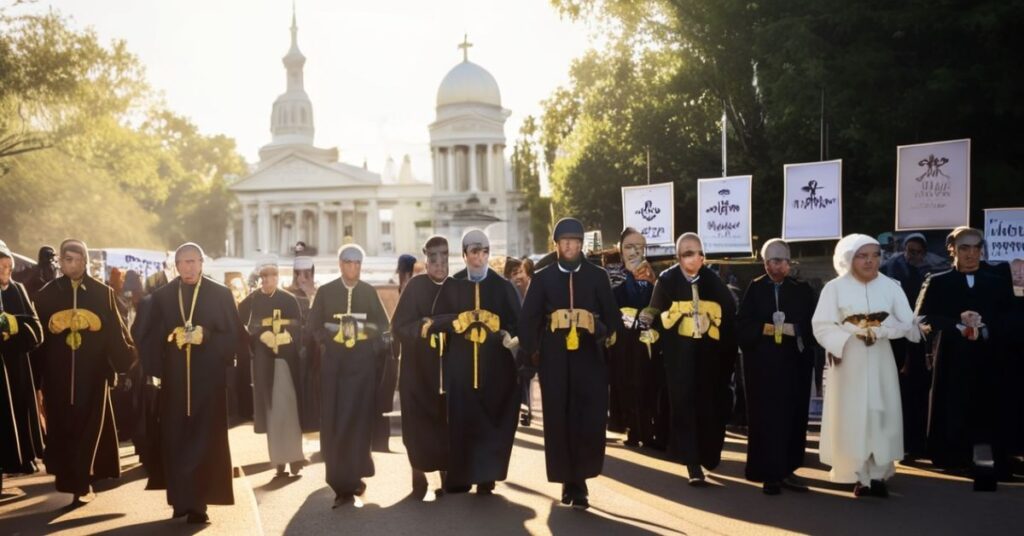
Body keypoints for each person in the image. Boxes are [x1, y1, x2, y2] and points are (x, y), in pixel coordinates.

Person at [139, 242, 247, 524]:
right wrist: (167, 339)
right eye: (183, 262)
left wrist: (206, 335)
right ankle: (180, 498)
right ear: (176, 265)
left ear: (201, 263)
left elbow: (235, 337)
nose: (188, 267)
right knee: (175, 441)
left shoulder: (220, 295)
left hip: (207, 384)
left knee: (204, 442)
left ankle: (199, 503)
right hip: (174, 384)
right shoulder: (162, 297)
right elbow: (146, 337)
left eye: (193, 261)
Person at [519, 217, 622, 509]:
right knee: (559, 420)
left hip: (589, 359)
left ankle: (582, 479)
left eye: (575, 241)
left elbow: (614, 323)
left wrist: (596, 327)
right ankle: (568, 480)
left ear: (581, 245)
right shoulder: (542, 277)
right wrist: (538, 350)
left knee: (588, 419)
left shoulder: (598, 276)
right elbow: (528, 322)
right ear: (556, 245)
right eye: (565, 241)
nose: (570, 245)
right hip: (555, 361)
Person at [812, 234, 921, 497]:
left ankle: (880, 473)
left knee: (881, 415)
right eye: (863, 255)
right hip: (850, 361)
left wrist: (886, 330)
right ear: (849, 258)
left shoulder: (891, 286)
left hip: (881, 360)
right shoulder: (834, 288)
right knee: (853, 415)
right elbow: (822, 325)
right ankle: (856, 474)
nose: (870, 261)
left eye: (875, 255)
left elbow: (910, 324)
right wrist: (844, 341)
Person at [31, 239, 135, 505]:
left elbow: (115, 330)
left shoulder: (102, 293)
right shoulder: (46, 294)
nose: (70, 264)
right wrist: (36, 374)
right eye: (66, 259)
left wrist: (125, 363)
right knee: (62, 427)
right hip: (57, 376)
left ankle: (83, 482)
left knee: (89, 427)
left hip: (93, 374)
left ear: (85, 261)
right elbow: (38, 338)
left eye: (76, 259)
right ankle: (70, 480)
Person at [916, 227, 1015, 490]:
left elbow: (1011, 316)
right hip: (952, 358)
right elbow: (923, 318)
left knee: (990, 408)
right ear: (952, 250)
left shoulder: (997, 280)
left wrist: (985, 326)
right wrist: (956, 325)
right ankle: (954, 457)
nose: (971, 254)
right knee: (954, 404)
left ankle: (994, 463)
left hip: (991, 357)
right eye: (964, 248)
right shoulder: (938, 281)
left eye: (976, 248)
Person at [647, 232, 737, 486]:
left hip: (709, 358)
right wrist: (649, 322)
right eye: (687, 252)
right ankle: (691, 462)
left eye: (697, 252)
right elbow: (654, 312)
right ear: (678, 256)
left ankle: (708, 455)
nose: (693, 257)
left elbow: (729, 314)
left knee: (709, 404)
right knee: (684, 405)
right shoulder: (667, 280)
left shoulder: (713, 281)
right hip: (679, 357)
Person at [308, 244, 391, 508]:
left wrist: (365, 334)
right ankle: (339, 483)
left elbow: (383, 327)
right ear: (340, 263)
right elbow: (313, 326)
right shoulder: (325, 291)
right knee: (334, 421)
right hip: (334, 367)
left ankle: (354, 476)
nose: (353, 267)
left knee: (358, 422)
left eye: (357, 262)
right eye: (348, 262)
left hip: (362, 368)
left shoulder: (368, 292)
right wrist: (329, 339)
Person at [736, 239, 818, 495]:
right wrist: (765, 329)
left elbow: (815, 323)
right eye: (773, 261)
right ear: (764, 262)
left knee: (792, 417)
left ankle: (788, 470)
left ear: (790, 262)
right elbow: (742, 323)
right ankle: (767, 473)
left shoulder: (802, 289)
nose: (778, 266)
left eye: (782, 261)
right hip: (762, 366)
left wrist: (797, 330)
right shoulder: (756, 288)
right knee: (766, 418)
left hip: (794, 365)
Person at [443, 229, 521, 494]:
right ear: (464, 255)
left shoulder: (502, 286)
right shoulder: (453, 285)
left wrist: (509, 335)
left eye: (484, 251)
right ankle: (461, 476)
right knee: (462, 420)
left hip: (494, 368)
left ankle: (487, 476)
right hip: (461, 368)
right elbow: (441, 319)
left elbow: (517, 321)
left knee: (491, 420)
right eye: (474, 252)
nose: (480, 258)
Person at [391, 236, 453, 499]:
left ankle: (447, 474)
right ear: (426, 261)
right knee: (417, 425)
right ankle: (418, 473)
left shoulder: (456, 286)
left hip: (447, 369)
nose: (439, 264)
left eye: (444, 258)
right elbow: (398, 327)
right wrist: (427, 325)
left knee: (446, 422)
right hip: (417, 371)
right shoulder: (415, 287)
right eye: (433, 259)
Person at [238, 255, 306, 477]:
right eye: (265, 276)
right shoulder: (251, 301)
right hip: (264, 363)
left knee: (289, 408)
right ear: (259, 278)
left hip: (286, 361)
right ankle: (278, 461)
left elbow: (298, 325)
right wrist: (257, 336)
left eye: (273, 275)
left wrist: (288, 336)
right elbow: (240, 325)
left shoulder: (289, 299)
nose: (269, 280)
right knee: (272, 410)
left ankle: (295, 457)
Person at [881, 233, 944, 459]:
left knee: (919, 394)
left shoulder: (932, 274)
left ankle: (918, 444)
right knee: (898, 394)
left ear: (924, 253)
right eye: (909, 251)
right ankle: (901, 443)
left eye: (917, 252)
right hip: (896, 341)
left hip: (921, 342)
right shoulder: (890, 270)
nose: (912, 256)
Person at [609, 228, 659, 448]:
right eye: (629, 246)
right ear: (621, 251)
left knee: (649, 386)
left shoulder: (657, 277)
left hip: (649, 343)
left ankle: (649, 430)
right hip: (623, 344)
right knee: (626, 385)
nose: (634, 251)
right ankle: (632, 429)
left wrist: (654, 284)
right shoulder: (611, 277)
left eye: (639, 247)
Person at [1, 240, 45, 491]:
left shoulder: (18, 291)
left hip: (16, 368)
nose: (5, 272)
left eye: (8, 266)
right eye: (0, 267)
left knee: (15, 418)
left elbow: (36, 329)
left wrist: (14, 324)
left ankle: (16, 462)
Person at [286, 252, 321, 433]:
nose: (302, 278)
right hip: (294, 348)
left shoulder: (319, 292)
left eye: (306, 273)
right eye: (298, 273)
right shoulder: (288, 294)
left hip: (314, 350)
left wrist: (310, 295)